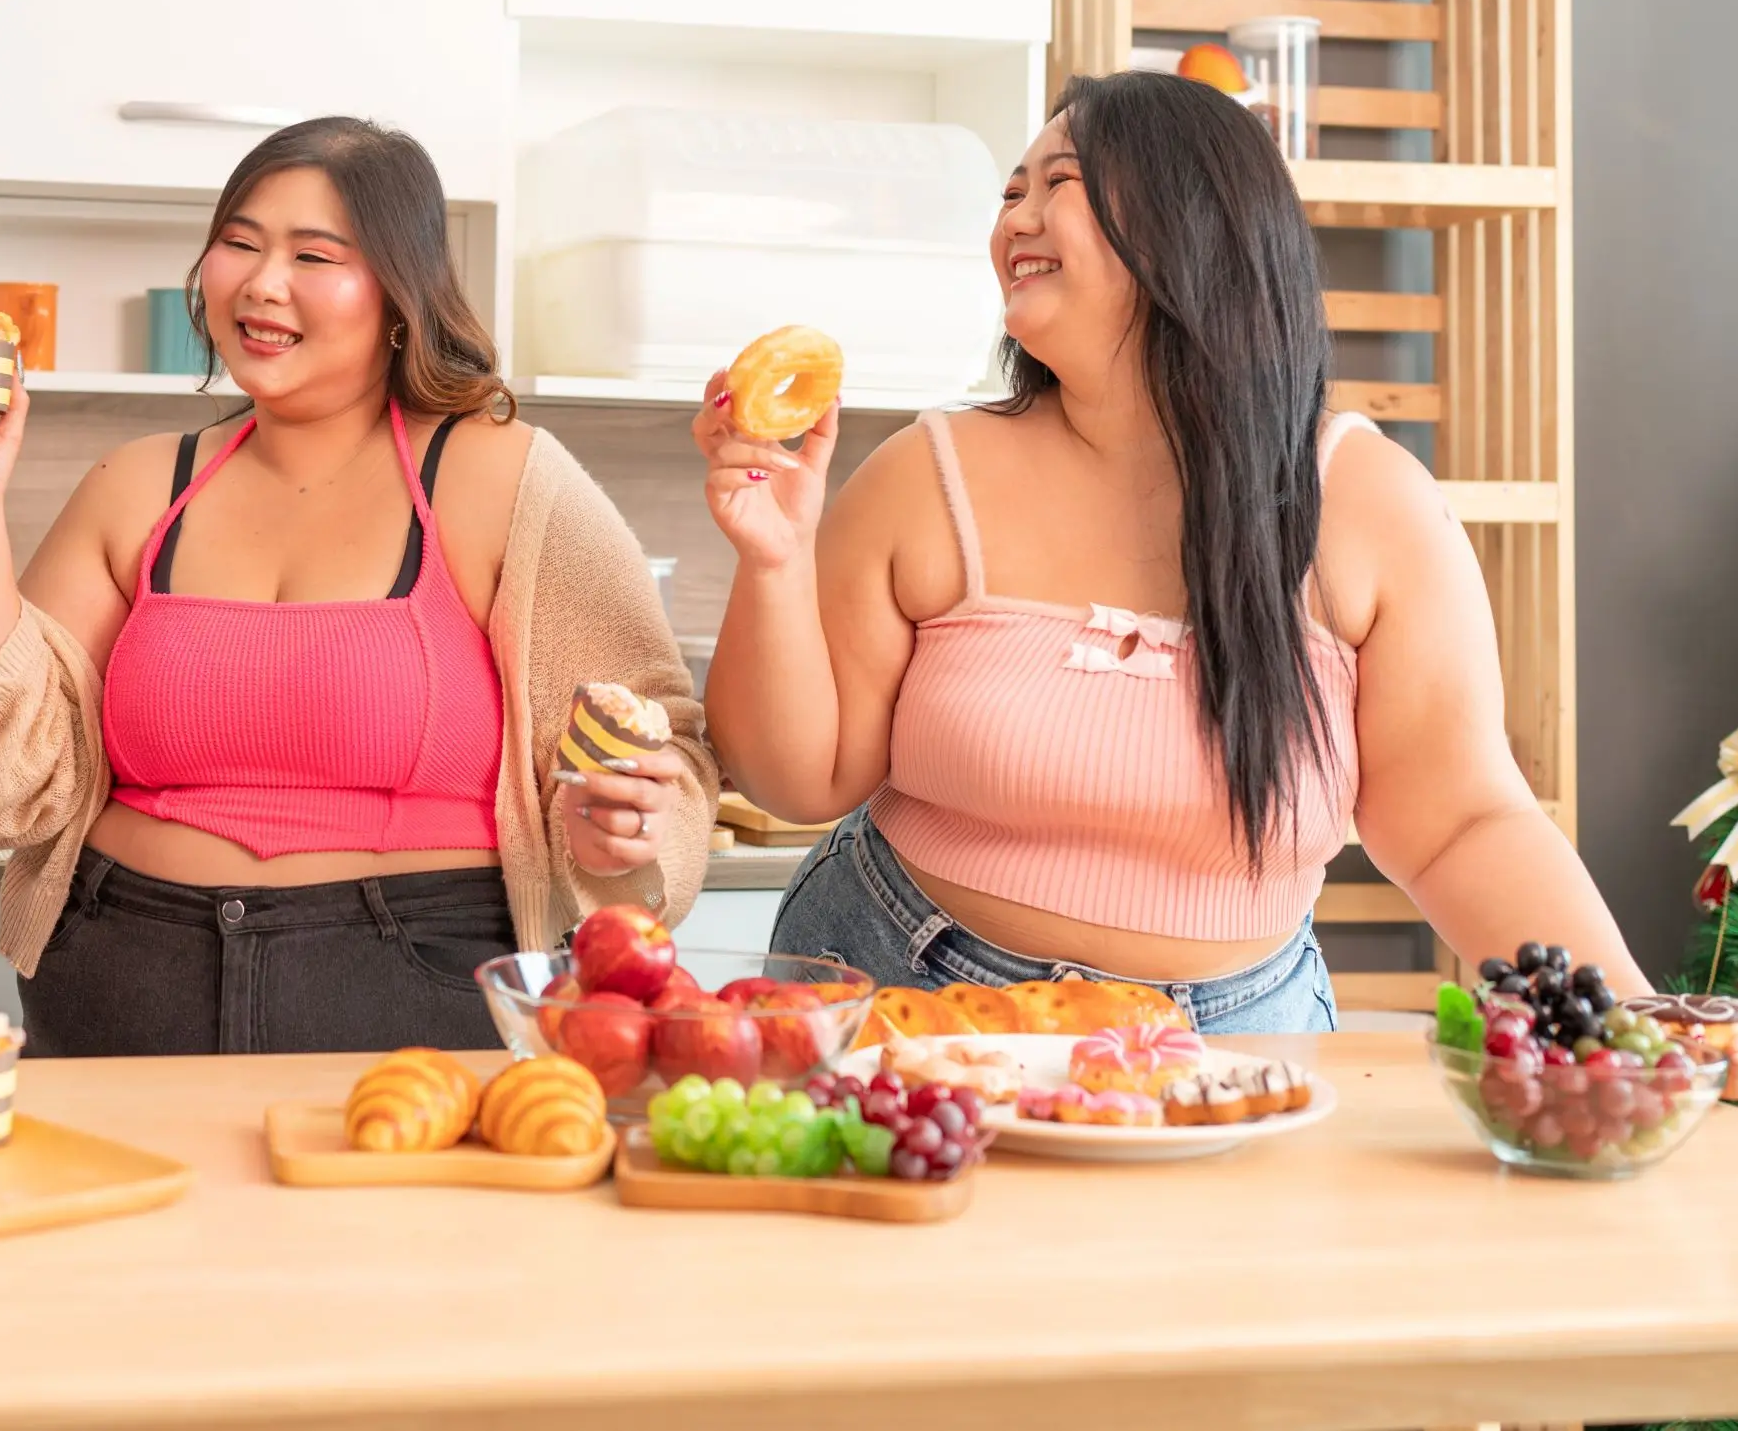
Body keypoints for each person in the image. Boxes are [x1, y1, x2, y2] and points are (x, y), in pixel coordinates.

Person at [695, 72, 1645, 1032]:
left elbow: (1462, 825)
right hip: (904, 986)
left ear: (1187, 223)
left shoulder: (1369, 504)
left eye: (1056, 181)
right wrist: (774, 562)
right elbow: (795, 777)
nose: (1016, 216)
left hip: (1232, 1034)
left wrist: (1640, 1027)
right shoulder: (926, 474)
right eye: (1010, 191)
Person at [0, 117, 713, 1055]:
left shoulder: (506, 479)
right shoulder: (135, 486)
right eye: (239, 243)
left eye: (313, 254)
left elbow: (662, 737)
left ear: (401, 294)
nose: (261, 282)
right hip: (120, 977)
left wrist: (633, 823)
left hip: (417, 991)